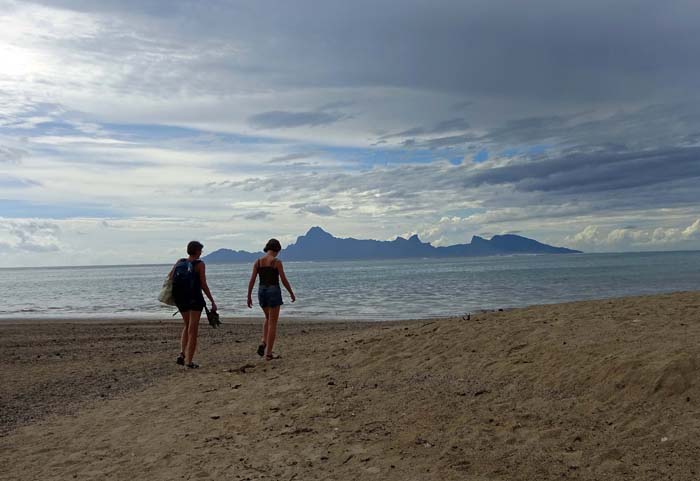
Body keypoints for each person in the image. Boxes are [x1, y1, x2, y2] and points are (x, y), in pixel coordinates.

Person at [170, 240, 217, 369]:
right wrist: (212, 300)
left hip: (181, 299)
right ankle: (189, 362)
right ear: (197, 251)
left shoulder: (180, 262)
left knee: (187, 325)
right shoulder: (200, 264)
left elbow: (170, 277)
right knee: (193, 330)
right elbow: (203, 284)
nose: (201, 252)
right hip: (195, 299)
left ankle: (182, 353)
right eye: (200, 250)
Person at [247, 238, 295, 360]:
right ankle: (268, 353)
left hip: (261, 291)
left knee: (268, 318)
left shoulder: (258, 262)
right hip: (273, 291)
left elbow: (252, 280)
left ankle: (264, 341)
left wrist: (249, 296)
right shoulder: (276, 262)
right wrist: (291, 293)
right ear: (277, 249)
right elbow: (283, 280)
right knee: (273, 323)